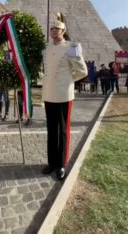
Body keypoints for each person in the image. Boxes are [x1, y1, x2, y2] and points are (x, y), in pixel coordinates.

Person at [41, 19, 88, 180]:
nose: (54, 31)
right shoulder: (46, 48)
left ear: (63, 31)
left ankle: (61, 164)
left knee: (62, 130)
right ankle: (52, 162)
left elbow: (82, 71)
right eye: (52, 28)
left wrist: (69, 80)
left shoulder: (71, 47)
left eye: (57, 29)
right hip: (49, 94)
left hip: (63, 94)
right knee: (51, 130)